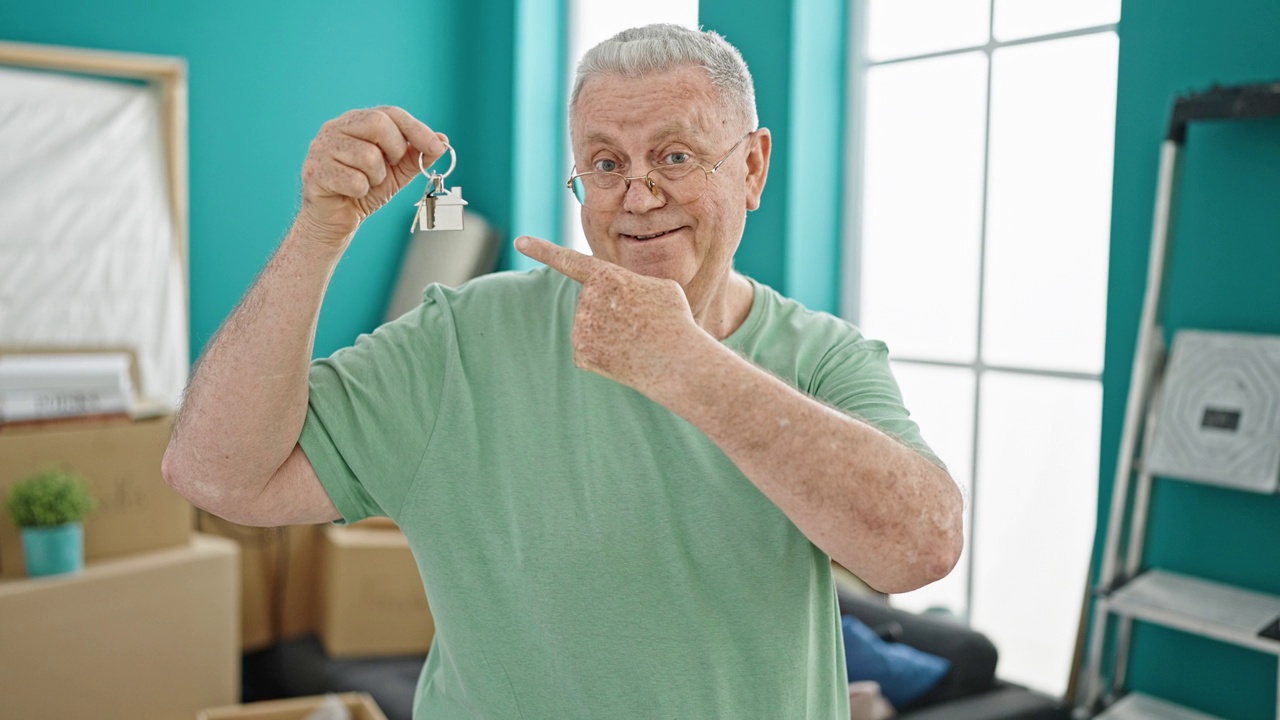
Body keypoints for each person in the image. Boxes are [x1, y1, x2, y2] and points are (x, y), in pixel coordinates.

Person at [163, 23, 962, 720]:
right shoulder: (463, 339)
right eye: (605, 164)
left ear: (750, 169)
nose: (637, 197)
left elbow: (919, 547)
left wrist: (683, 362)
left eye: (675, 156)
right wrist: (320, 229)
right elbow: (217, 474)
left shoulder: (824, 357)